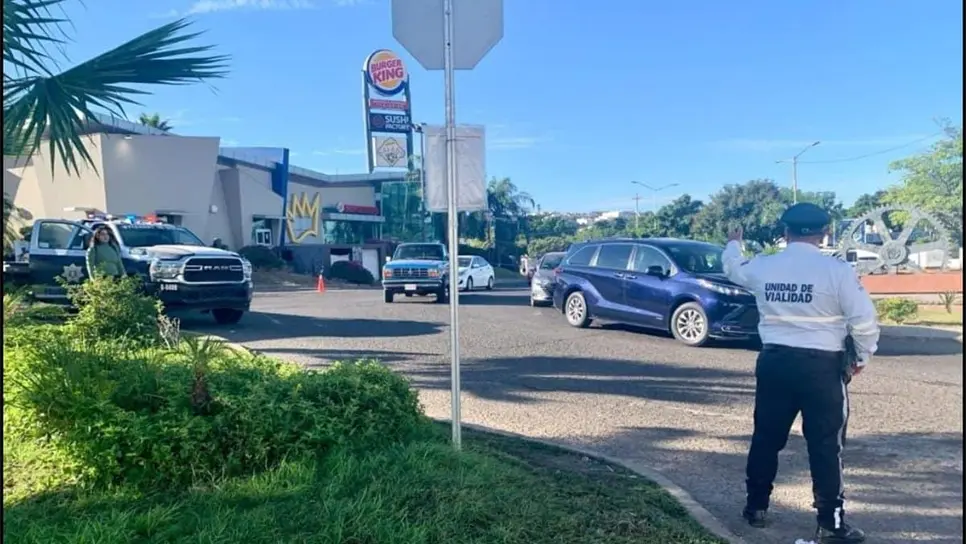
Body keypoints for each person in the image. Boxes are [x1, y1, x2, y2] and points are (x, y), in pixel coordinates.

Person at [721, 203, 879, 544]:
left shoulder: (764, 266)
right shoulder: (836, 270)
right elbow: (864, 320)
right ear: (823, 234)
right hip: (822, 368)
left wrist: (734, 242)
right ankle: (830, 524)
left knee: (766, 437)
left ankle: (755, 508)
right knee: (825, 445)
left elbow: (734, 268)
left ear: (785, 232)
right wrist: (863, 356)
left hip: (775, 362)